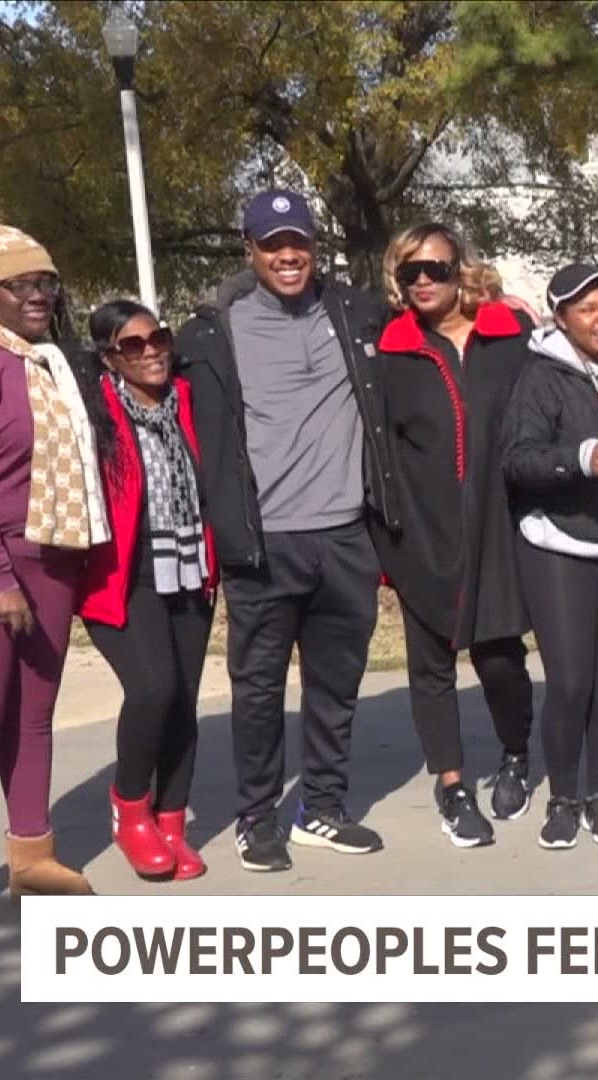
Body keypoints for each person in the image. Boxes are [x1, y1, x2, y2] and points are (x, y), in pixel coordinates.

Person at [175, 190, 396, 872]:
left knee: (335, 688)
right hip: (263, 543)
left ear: (314, 246)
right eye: (272, 245)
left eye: (297, 241)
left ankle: (322, 809)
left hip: (345, 539)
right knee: (260, 691)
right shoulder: (213, 332)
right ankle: (256, 817)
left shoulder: (357, 312)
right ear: (250, 250)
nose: (287, 255)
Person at [0, 223, 107, 944]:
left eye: (46, 283)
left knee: (32, 716)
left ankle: (31, 857)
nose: (38, 295)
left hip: (54, 560)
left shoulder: (56, 364)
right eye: (20, 285)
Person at [374, 223, 535, 848]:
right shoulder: (389, 351)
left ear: (459, 269)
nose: (422, 282)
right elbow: (380, 446)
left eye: (434, 269)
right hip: (423, 528)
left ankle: (516, 753)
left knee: (500, 657)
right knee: (431, 665)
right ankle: (451, 783)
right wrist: (390, 536)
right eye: (410, 271)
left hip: (501, 525)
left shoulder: (508, 336)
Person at [503, 263, 598, 850]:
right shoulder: (539, 378)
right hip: (559, 545)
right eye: (588, 308)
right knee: (570, 682)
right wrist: (580, 455)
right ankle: (562, 799)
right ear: (561, 318)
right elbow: (518, 459)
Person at [77, 301, 216, 882]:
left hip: (188, 567)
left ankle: (172, 820)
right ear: (111, 357)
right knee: (154, 690)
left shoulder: (189, 398)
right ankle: (130, 809)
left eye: (157, 337)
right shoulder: (96, 408)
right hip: (123, 575)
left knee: (184, 700)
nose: (152, 350)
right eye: (133, 345)